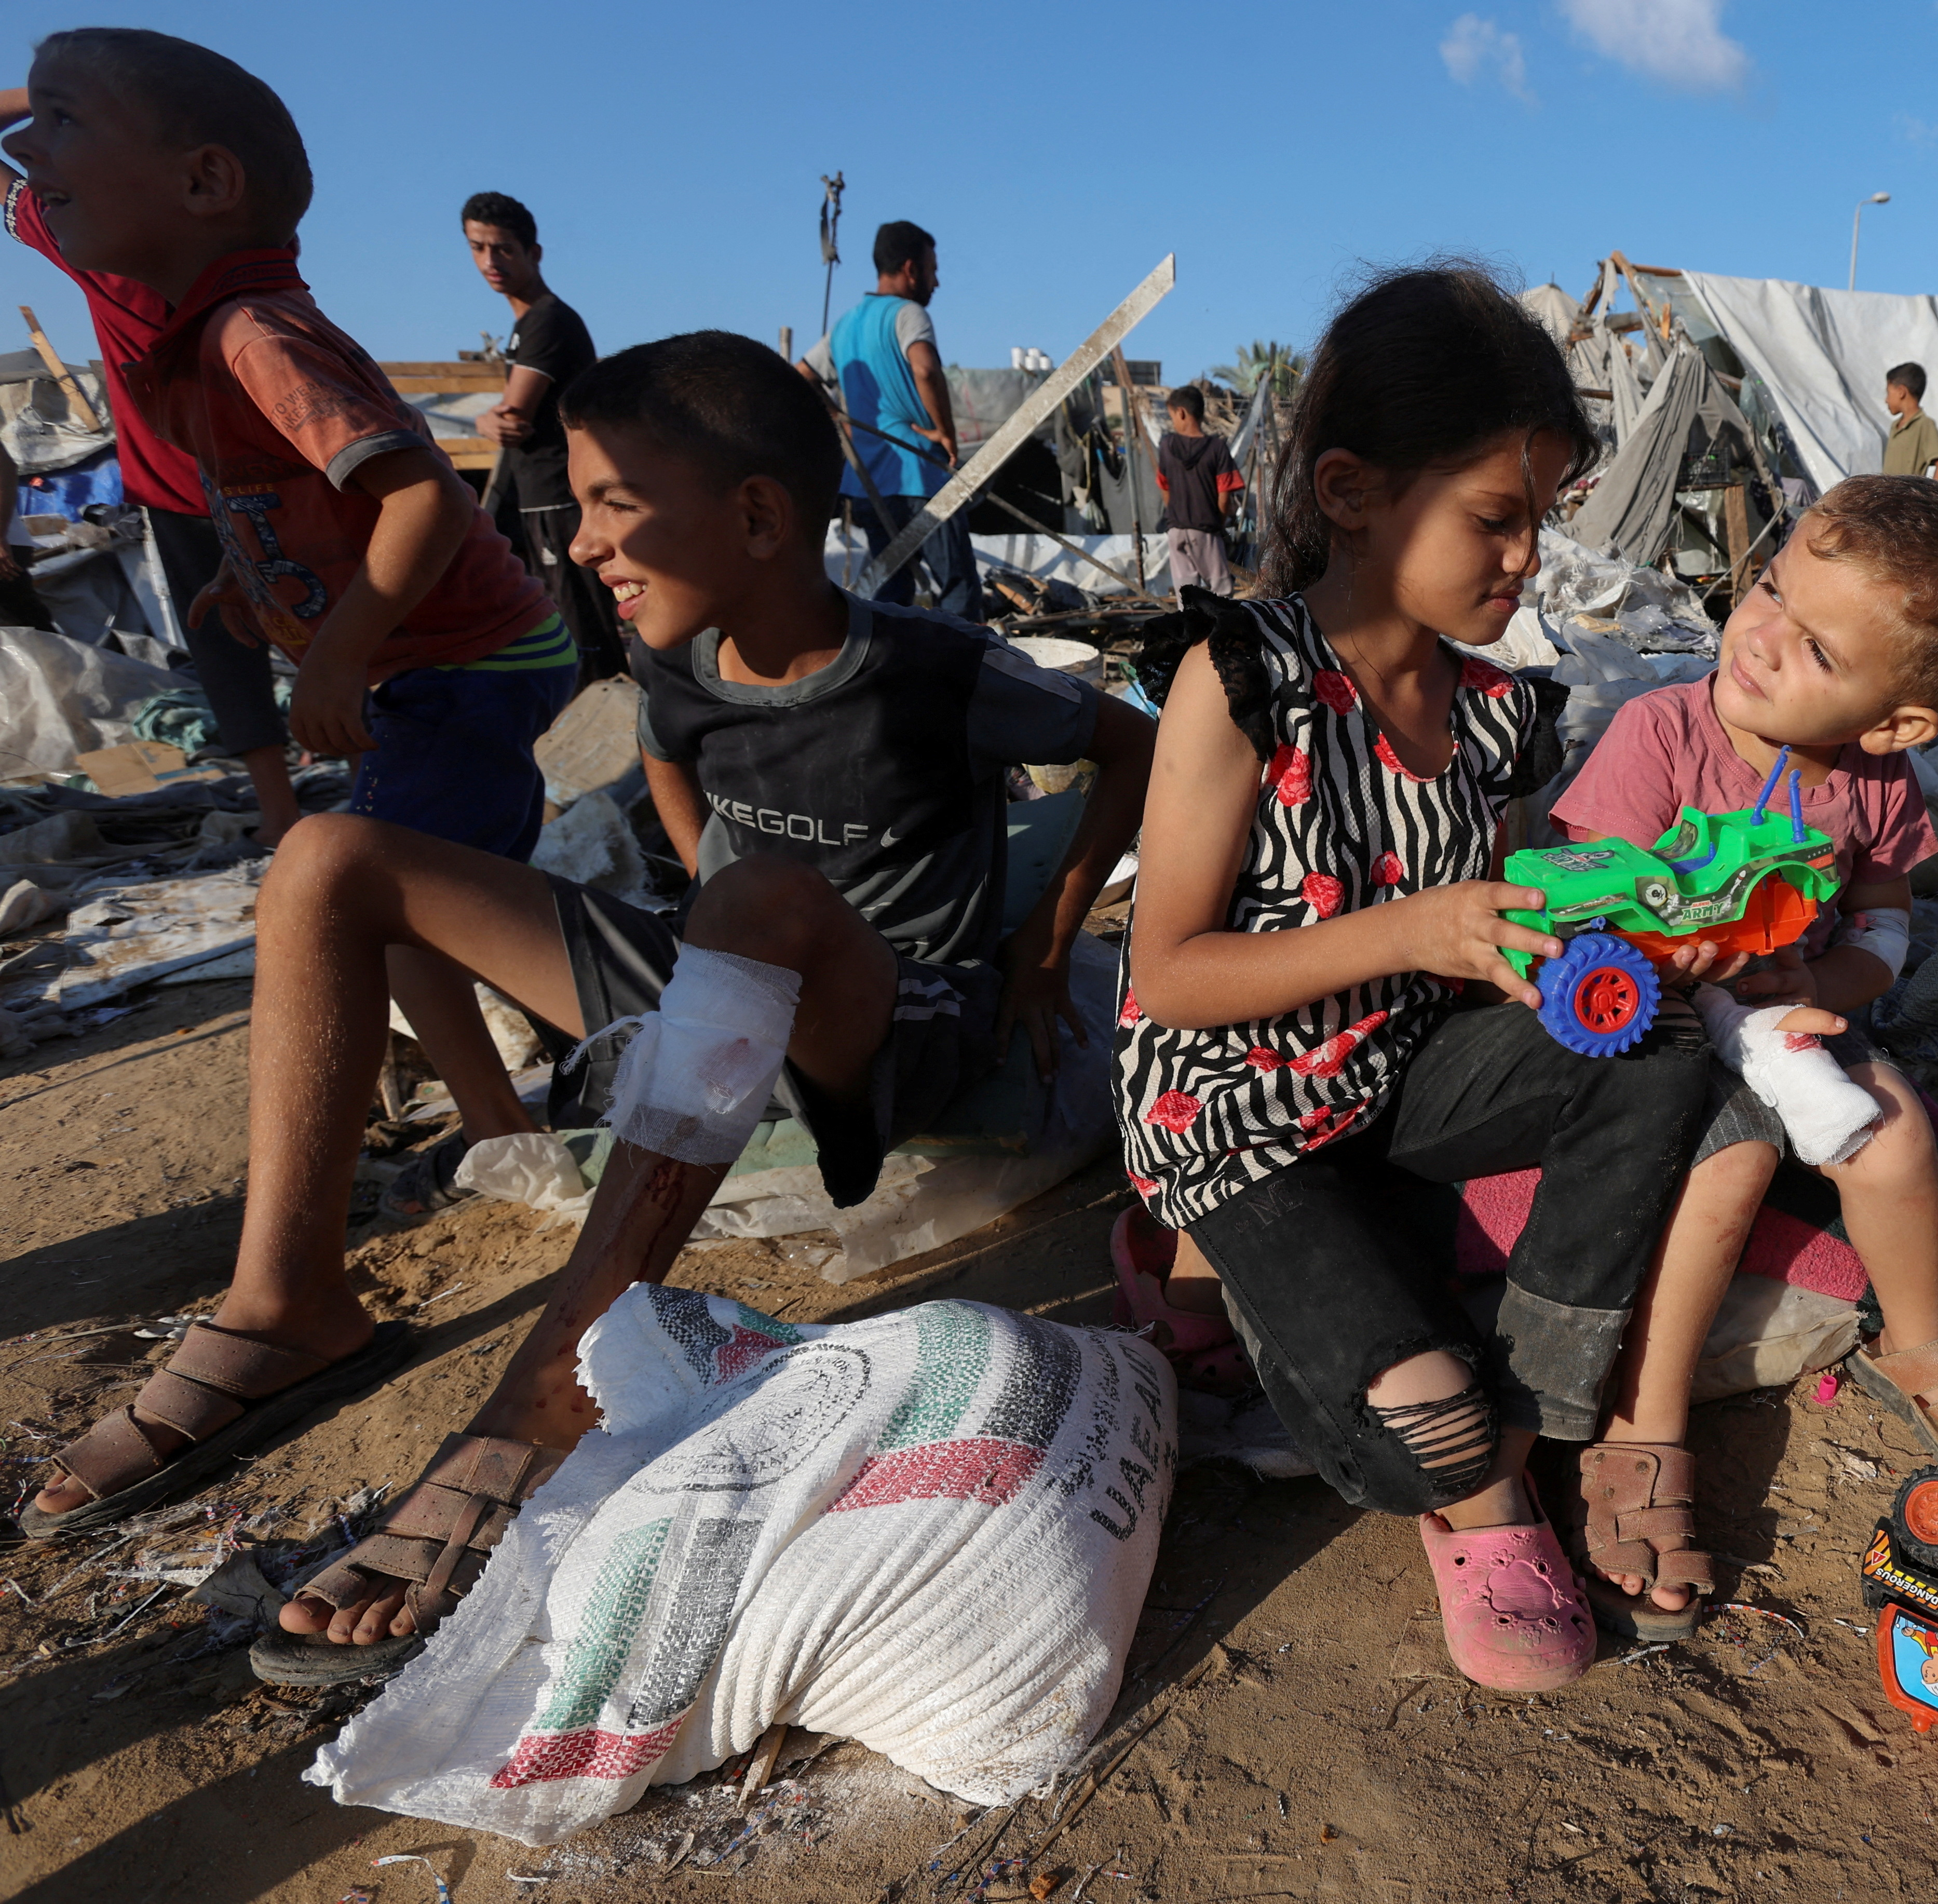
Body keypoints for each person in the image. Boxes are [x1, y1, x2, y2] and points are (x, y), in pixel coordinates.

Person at [20, 327, 1157, 1688]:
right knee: (330, 860)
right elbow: (673, 773)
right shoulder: (674, 660)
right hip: (729, 970)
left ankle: (544, 1387)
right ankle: (288, 1304)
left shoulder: (935, 668)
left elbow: (1128, 741)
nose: (576, 545)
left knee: (760, 905)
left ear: (755, 515)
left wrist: (1041, 945)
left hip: (890, 1014)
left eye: (611, 510)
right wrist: (699, 901)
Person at [1117, 263, 1718, 1694]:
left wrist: (1600, 940)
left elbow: (1492, 936)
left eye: (1541, 522)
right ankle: (1446, 1437)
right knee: (1423, 1436)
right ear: (1349, 492)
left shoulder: (1501, 713)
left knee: (1664, 1040)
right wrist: (1418, 930)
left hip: (1398, 1077)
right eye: (1493, 520)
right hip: (1237, 1104)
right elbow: (1169, 975)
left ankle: (1518, 1399)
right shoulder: (1240, 677)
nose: (1524, 561)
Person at [6, 30, 579, 1102]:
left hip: (471, 661)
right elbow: (273, 500)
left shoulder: (254, 336)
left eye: (64, 118)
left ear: (204, 181)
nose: (31, 147)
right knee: (413, 899)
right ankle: (509, 1125)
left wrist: (336, 656)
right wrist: (250, 580)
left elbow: (420, 496)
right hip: (438, 665)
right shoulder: (193, 343)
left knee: (386, 900)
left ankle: (691, 1049)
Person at [1551, 474, 1938, 1639]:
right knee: (1719, 1170)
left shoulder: (1873, 783)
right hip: (1659, 1031)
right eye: (1770, 587)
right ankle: (1642, 1431)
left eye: (1815, 646)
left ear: (1893, 723)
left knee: (1893, 1133)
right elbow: (1582, 895)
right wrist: (1646, 943)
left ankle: (1921, 1343)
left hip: (1789, 1021)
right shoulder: (1659, 733)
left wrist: (1826, 985)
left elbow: (1882, 920)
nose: (1762, 637)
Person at [1, 76, 299, 840]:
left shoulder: (100, 254)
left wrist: (49, 91)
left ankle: (280, 813)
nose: (36, 159)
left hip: (185, 493)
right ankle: (362, 793)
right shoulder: (256, 244)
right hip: (280, 481)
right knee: (327, 636)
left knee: (228, 652)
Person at [463, 189, 622, 680]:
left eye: (504, 248)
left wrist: (485, 420)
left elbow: (512, 420)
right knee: (569, 628)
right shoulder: (528, 323)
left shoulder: (547, 321)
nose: (490, 260)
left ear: (533, 253)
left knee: (583, 638)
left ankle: (611, 748)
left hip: (559, 494)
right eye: (478, 247)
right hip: (543, 497)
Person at [798, 218, 982, 618]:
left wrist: (838, 417)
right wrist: (945, 433)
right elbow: (926, 369)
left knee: (890, 585)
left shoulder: (846, 325)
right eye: (933, 270)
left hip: (869, 484)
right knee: (957, 585)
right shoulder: (909, 314)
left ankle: (882, 669)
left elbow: (800, 377)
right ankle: (969, 675)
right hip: (920, 474)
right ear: (911, 269)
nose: (936, 282)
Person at [1154, 383, 1242, 596]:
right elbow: (1224, 499)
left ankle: (1192, 630)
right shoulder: (1217, 449)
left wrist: (1177, 514)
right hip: (1206, 532)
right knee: (1221, 594)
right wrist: (1219, 525)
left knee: (1186, 597)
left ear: (1181, 413)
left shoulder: (1167, 446)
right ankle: (1219, 630)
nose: (1173, 421)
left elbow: (1165, 489)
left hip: (1176, 532)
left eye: (1172, 416)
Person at [1880, 362, 1938, 481]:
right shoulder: (1895, 426)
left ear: (1902, 392)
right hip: (1888, 498)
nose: (1886, 400)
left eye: (1888, 393)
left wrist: (1929, 497)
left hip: (1908, 498)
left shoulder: (1924, 425)